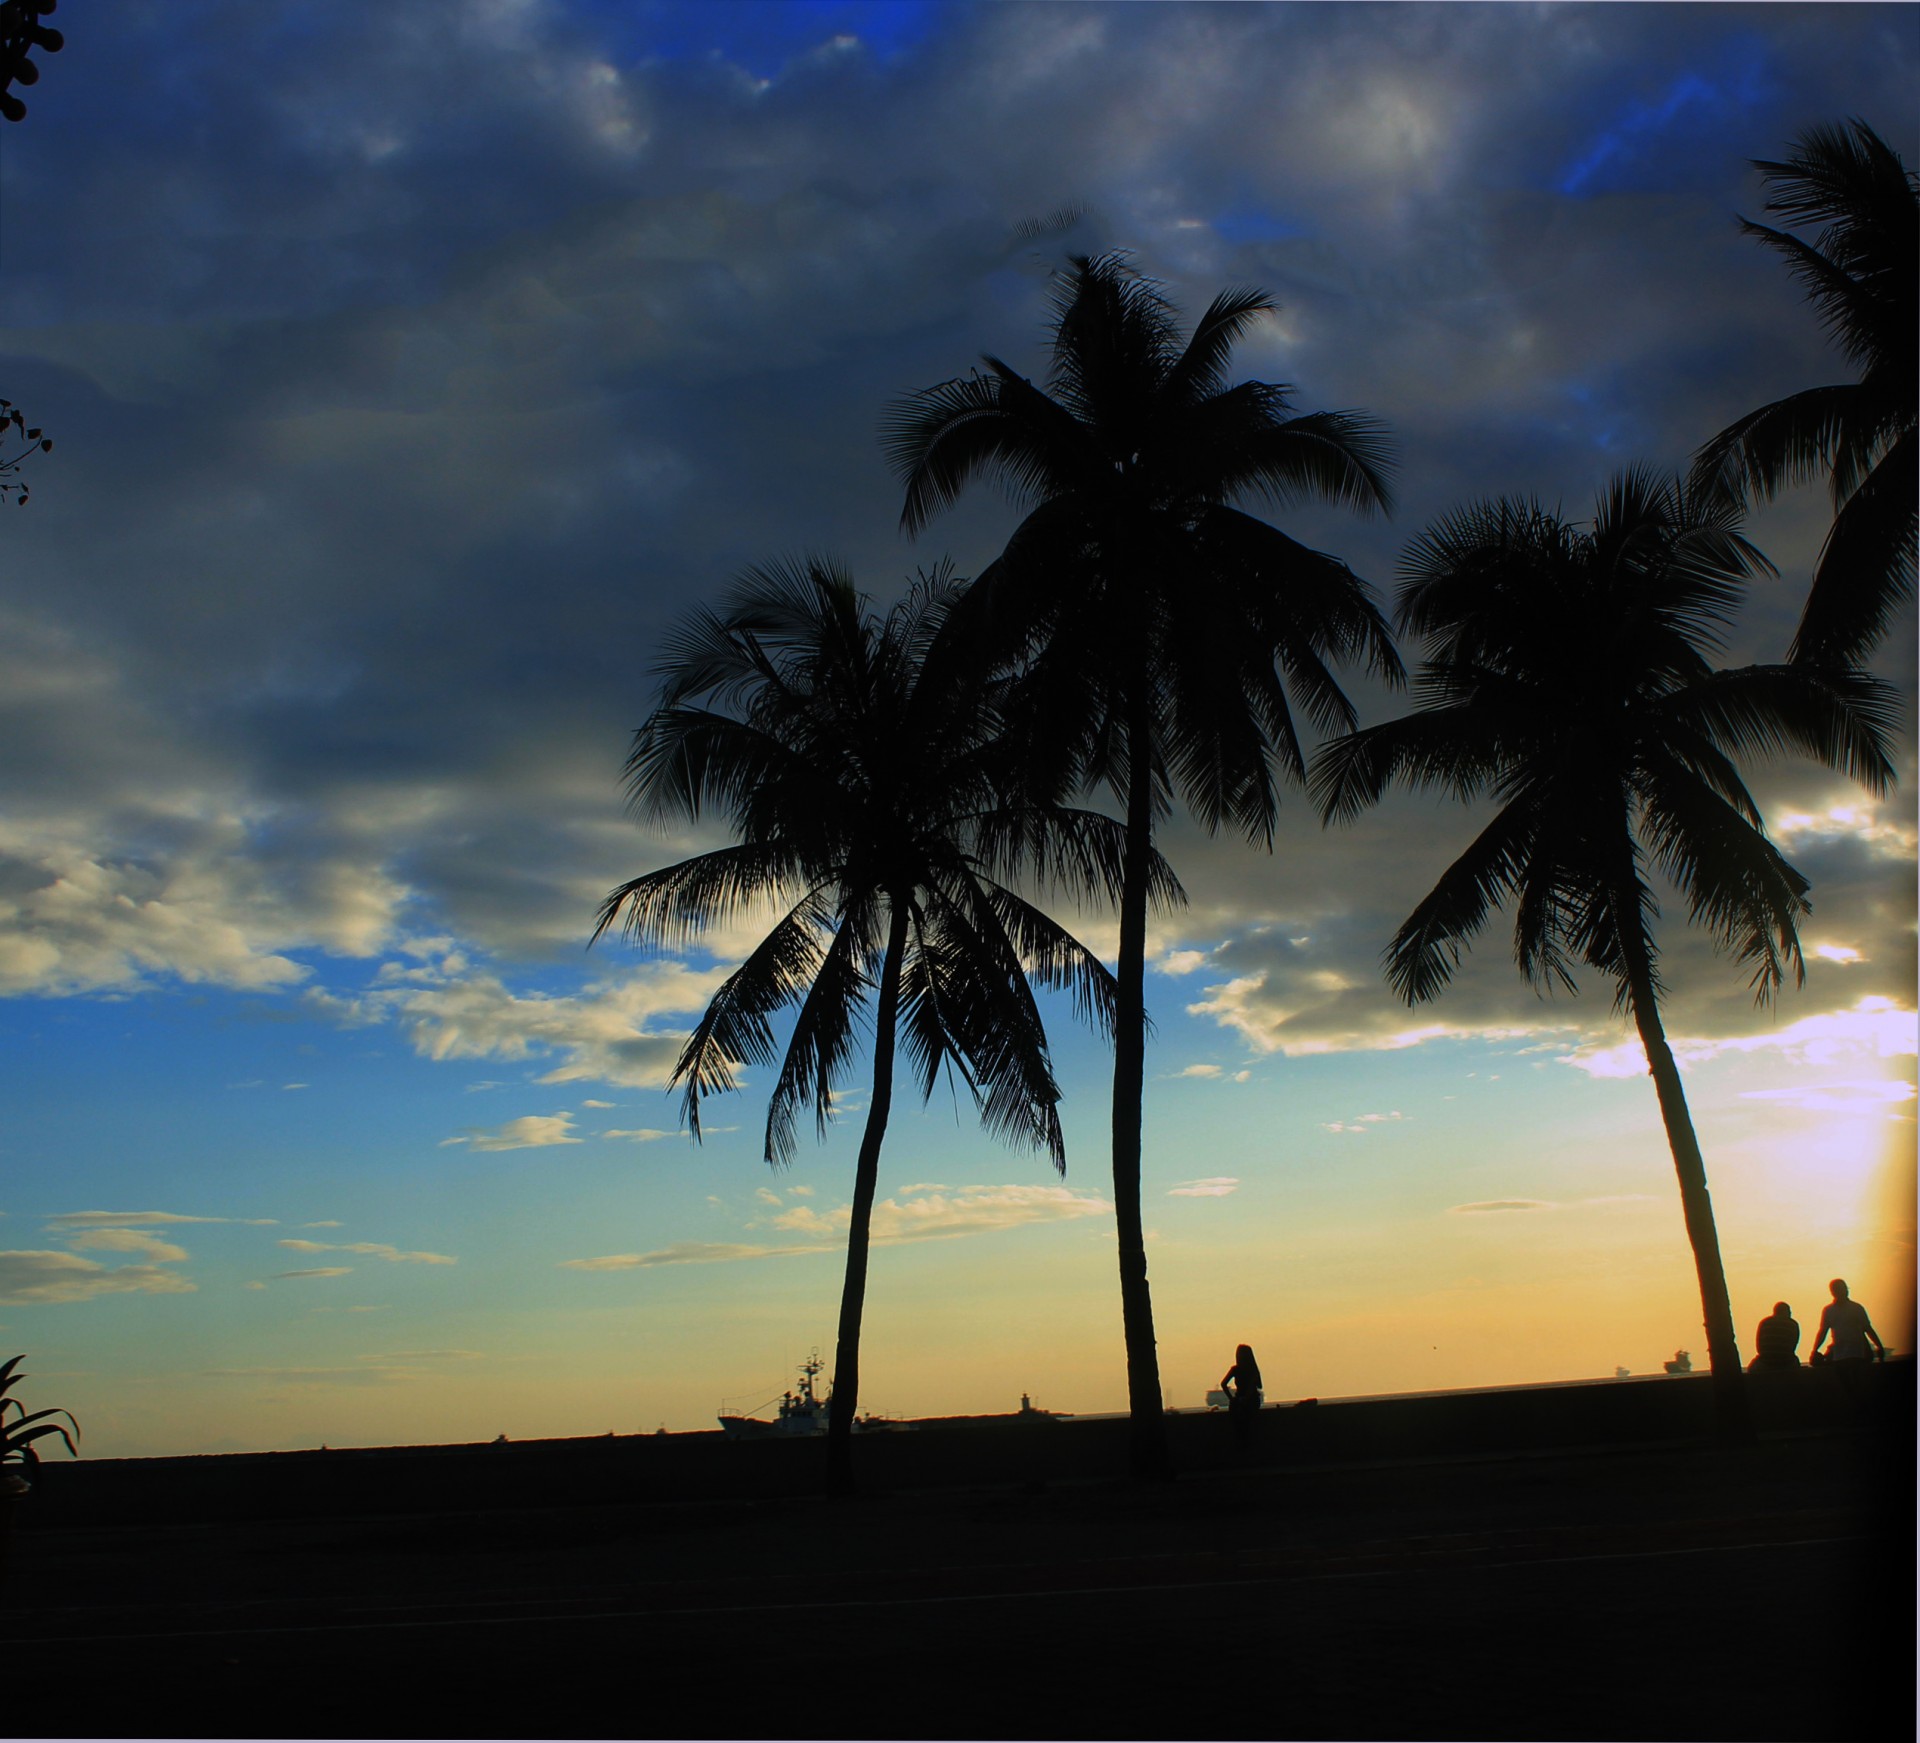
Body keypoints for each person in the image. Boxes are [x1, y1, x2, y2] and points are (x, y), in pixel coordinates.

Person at [1810, 1279, 1886, 1363]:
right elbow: (1823, 1332)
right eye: (1842, 1289)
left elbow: (1868, 1329)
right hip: (1841, 1354)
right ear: (1833, 1292)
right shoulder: (1830, 1310)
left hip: (1855, 1354)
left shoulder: (1855, 1308)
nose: (1845, 1291)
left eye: (1845, 1289)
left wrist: (1879, 1346)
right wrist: (1815, 1350)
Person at [1220, 1343, 1263, 1444]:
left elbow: (1223, 1384)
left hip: (1240, 1400)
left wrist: (1232, 1398)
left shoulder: (1235, 1369)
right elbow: (1259, 1386)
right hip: (1251, 1400)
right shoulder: (1253, 1370)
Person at [1749, 1302, 1801, 1371]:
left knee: (1751, 1368)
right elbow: (1793, 1347)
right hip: (1787, 1363)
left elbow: (1759, 1348)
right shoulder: (1793, 1324)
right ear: (1786, 1312)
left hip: (1765, 1363)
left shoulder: (1764, 1323)